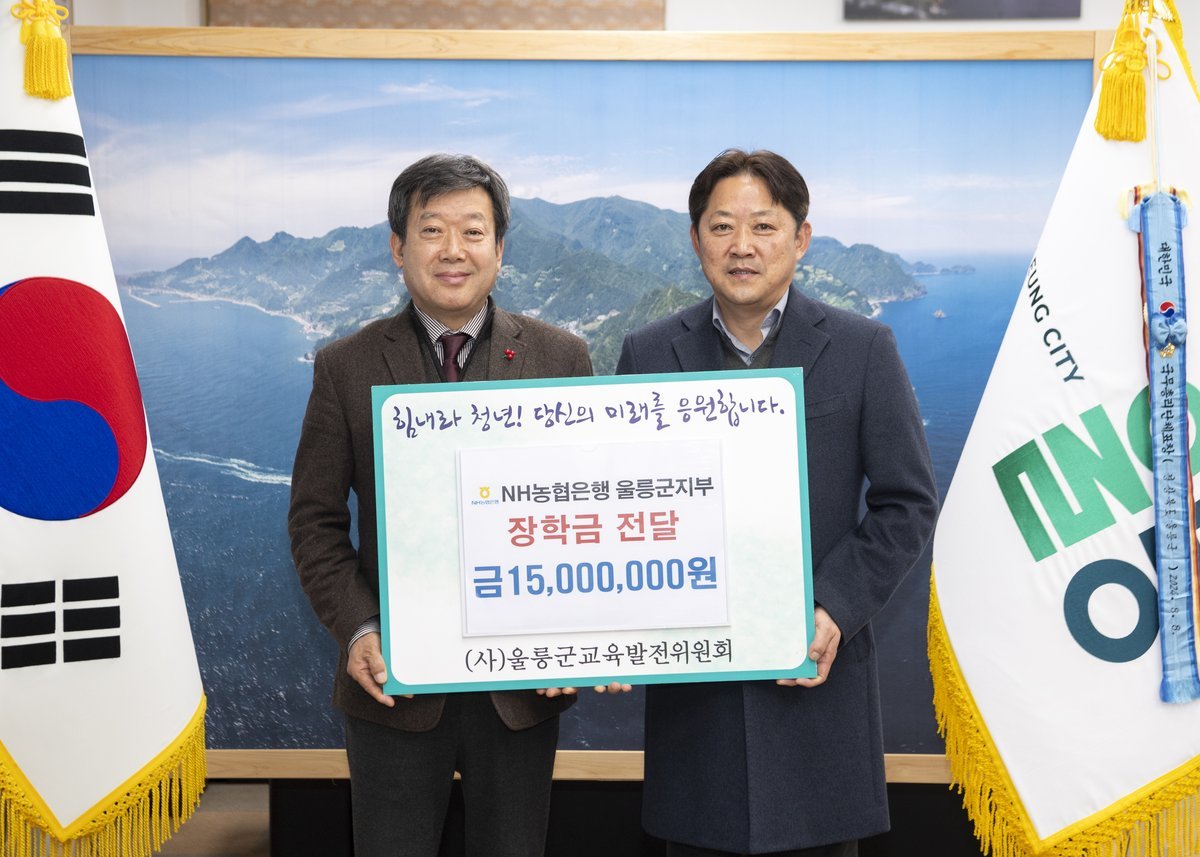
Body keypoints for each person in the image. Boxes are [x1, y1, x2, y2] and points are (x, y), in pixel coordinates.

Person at [616, 149, 938, 857]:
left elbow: (906, 503)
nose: (742, 245)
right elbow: (622, 510)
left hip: (817, 692)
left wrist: (832, 609)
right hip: (696, 711)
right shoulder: (647, 352)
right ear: (696, 239)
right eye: (722, 226)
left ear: (801, 238)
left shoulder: (863, 347)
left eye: (763, 225)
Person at [288, 153, 594, 857]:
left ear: (499, 248)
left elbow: (585, 511)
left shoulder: (561, 358)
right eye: (432, 230)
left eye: (473, 231)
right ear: (399, 248)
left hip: (523, 689)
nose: (453, 250)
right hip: (392, 686)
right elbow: (315, 522)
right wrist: (359, 629)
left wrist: (578, 632)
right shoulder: (345, 365)